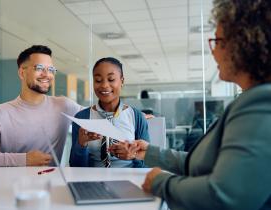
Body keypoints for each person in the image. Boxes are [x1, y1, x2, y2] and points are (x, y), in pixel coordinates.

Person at [110, 1, 271, 209]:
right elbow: (203, 163)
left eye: (218, 41)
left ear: (244, 45)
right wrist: (148, 152)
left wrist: (161, 182)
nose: (213, 52)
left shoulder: (260, 103)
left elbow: (223, 196)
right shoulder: (252, 100)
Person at [0, 45, 82, 167]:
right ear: (22, 73)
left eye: (51, 69)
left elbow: (97, 116)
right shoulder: (0, 113)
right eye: (40, 68)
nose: (47, 74)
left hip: (51, 182)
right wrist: (25, 159)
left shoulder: (64, 106)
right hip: (11, 184)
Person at [69, 57, 149, 168]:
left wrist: (133, 155)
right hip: (93, 181)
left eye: (111, 79)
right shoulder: (82, 118)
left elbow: (147, 164)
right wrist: (81, 144)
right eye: (98, 80)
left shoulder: (137, 117)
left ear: (122, 81)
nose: (104, 85)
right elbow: (75, 166)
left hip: (128, 180)